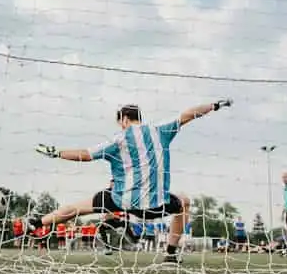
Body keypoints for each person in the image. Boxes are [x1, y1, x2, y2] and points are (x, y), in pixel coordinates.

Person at [24, 99, 233, 263]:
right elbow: (189, 114)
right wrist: (214, 105)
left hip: (121, 201)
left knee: (75, 208)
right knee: (184, 201)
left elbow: (85, 155)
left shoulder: (118, 140)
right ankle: (170, 253)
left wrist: (57, 153)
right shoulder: (161, 130)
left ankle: (37, 223)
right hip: (156, 206)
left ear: (123, 119)